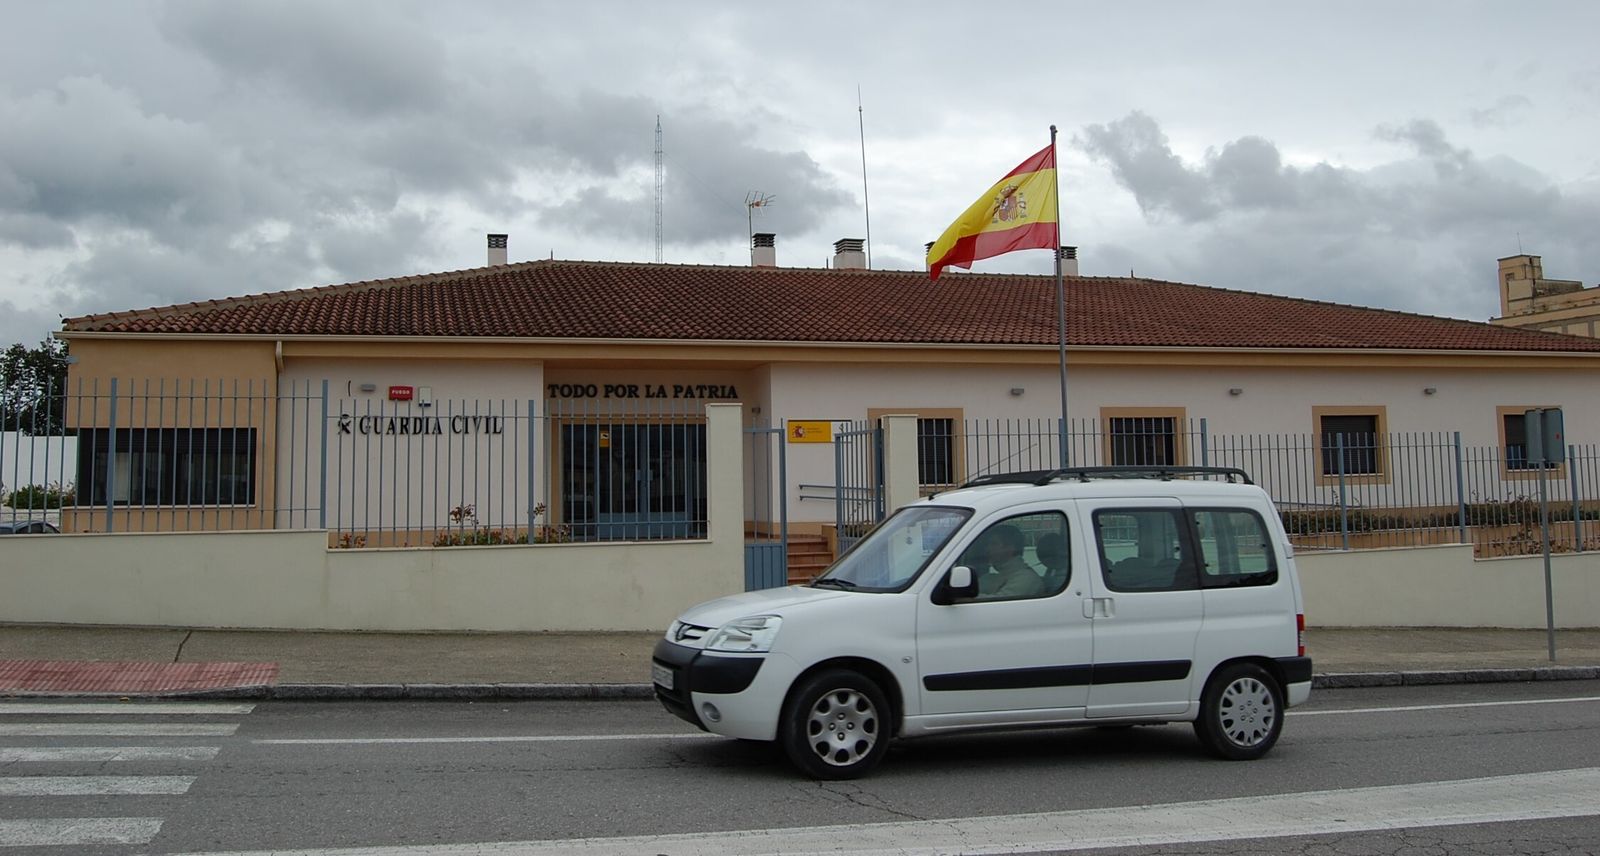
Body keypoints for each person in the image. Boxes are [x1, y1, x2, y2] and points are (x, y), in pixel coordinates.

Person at [977, 524, 1043, 598]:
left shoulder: (1027, 578)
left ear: (1010, 548)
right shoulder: (990, 578)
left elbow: (999, 604)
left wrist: (967, 598)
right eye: (987, 544)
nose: (987, 549)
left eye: (993, 544)